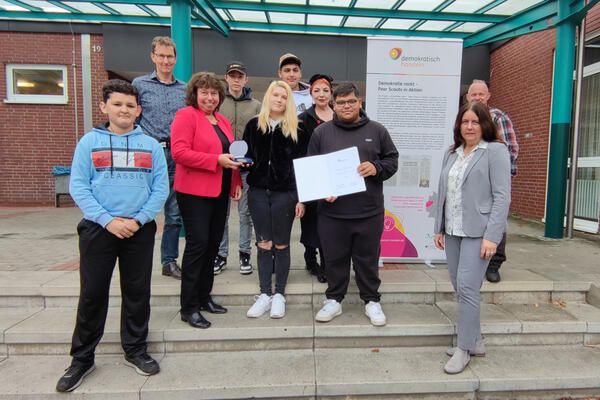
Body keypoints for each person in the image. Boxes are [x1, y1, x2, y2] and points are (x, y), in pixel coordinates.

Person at [56, 79, 169, 392]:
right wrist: (108, 220)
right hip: (99, 229)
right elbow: (78, 186)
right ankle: (82, 358)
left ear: (139, 110)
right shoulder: (88, 142)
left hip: (139, 228)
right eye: (118, 104)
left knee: (137, 292)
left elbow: (161, 187)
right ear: (104, 107)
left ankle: (135, 349)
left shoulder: (149, 145)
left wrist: (140, 219)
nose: (124, 110)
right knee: (93, 293)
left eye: (130, 106)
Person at [308, 83, 398, 327]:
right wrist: (322, 191)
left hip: (368, 211)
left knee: (367, 259)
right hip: (332, 213)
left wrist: (376, 167)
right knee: (334, 258)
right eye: (341, 103)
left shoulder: (377, 130)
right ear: (333, 105)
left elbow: (392, 160)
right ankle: (334, 300)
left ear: (360, 102)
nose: (346, 106)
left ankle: (371, 301)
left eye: (351, 101)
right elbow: (312, 168)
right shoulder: (321, 133)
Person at [433, 101, 511, 374]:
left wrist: (493, 236)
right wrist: (439, 228)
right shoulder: (451, 153)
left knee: (467, 288)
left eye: (475, 122)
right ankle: (475, 340)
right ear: (459, 125)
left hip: (479, 232)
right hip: (453, 231)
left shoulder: (495, 152)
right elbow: (443, 192)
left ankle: (464, 349)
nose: (469, 126)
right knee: (459, 286)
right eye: (465, 121)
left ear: (485, 125)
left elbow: (502, 197)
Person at [171, 72, 243, 329]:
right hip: (194, 192)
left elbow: (230, 154)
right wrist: (215, 161)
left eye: (214, 93)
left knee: (213, 244)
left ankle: (204, 297)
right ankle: (188, 306)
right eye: (205, 93)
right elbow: (179, 153)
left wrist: (236, 183)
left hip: (219, 190)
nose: (210, 97)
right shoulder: (186, 116)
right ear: (195, 94)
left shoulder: (221, 120)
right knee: (197, 245)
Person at [243, 80, 307, 319]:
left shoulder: (298, 130)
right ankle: (264, 294)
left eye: (284, 96)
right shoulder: (253, 126)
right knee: (263, 243)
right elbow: (246, 157)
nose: (279, 100)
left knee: (281, 243)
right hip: (258, 192)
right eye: (275, 95)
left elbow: (304, 167)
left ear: (288, 101)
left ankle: (279, 294)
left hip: (286, 193)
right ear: (268, 97)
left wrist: (302, 199)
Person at [132, 36, 186, 280]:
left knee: (174, 212)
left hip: (176, 154)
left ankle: (169, 261)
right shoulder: (139, 85)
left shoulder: (184, 89)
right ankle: (134, 255)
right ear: (153, 56)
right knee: (140, 207)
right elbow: (133, 119)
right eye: (161, 56)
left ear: (175, 58)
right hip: (148, 153)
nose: (166, 61)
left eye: (170, 56)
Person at [466, 79, 518, 283]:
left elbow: (511, 149)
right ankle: (475, 262)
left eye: (481, 94)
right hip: (471, 180)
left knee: (497, 221)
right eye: (474, 94)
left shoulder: (498, 117)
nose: (478, 97)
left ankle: (494, 264)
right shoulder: (464, 118)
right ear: (468, 97)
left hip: (493, 180)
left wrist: (502, 177)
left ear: (488, 96)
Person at [214, 61, 262, 276]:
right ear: (226, 78)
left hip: (245, 168)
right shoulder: (217, 103)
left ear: (246, 79)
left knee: (245, 214)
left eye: (239, 75)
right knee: (221, 214)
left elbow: (261, 135)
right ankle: (221, 254)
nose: (236, 79)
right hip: (222, 166)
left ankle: (245, 253)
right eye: (232, 75)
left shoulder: (256, 105)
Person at [298, 73, 335, 283]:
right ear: (311, 94)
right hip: (312, 175)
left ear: (331, 93)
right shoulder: (304, 119)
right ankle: (310, 257)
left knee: (329, 222)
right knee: (311, 221)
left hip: (334, 177)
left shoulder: (340, 115)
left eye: (325, 90)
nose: (321, 95)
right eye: (317, 91)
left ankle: (327, 262)